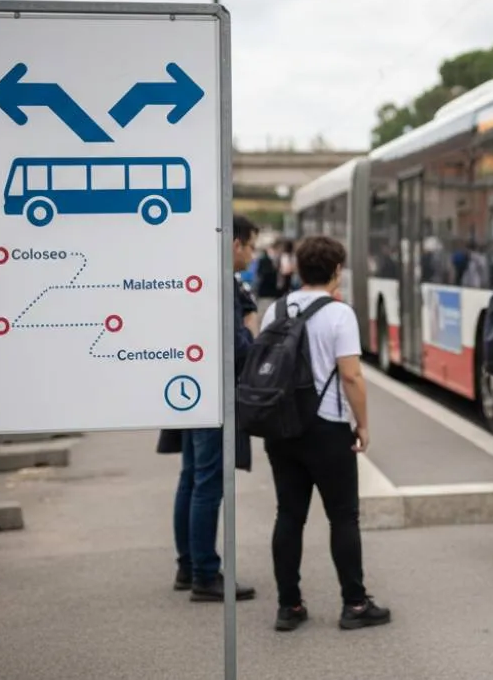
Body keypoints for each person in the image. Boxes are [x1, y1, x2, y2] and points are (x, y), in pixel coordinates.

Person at [261, 235, 390, 632]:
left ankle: (289, 606)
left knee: (289, 515)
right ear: (336, 270)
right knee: (343, 518)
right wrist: (362, 424)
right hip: (327, 427)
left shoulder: (275, 310)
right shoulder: (339, 314)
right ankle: (354, 604)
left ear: (299, 268)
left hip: (281, 428)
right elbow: (351, 375)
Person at [167, 213, 259, 602]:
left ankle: (188, 565)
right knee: (208, 483)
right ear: (235, 243)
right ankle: (206, 574)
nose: (252, 255)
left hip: (190, 388)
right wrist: (253, 337)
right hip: (214, 392)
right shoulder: (222, 284)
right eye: (251, 247)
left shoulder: (200, 275)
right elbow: (238, 347)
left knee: (190, 478)